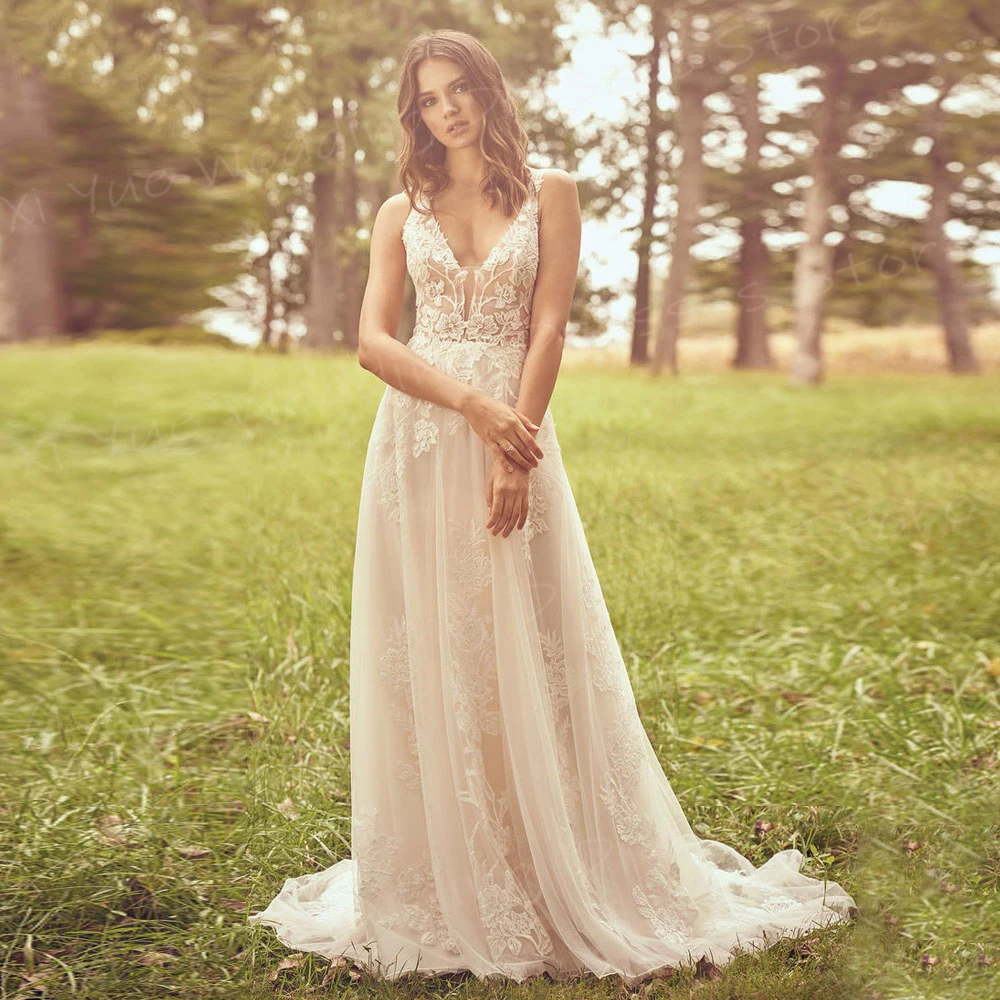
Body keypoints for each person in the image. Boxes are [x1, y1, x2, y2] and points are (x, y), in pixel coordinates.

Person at [248, 28, 857, 985]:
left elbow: (550, 322)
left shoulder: (550, 194)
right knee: (434, 650)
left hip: (516, 441)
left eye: (460, 90)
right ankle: (450, 867)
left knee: (524, 645)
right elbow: (371, 342)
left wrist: (514, 447)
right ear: (416, 112)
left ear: (489, 91)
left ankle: (550, 861)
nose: (446, 109)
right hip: (418, 444)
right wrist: (471, 406)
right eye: (429, 98)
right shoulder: (396, 212)